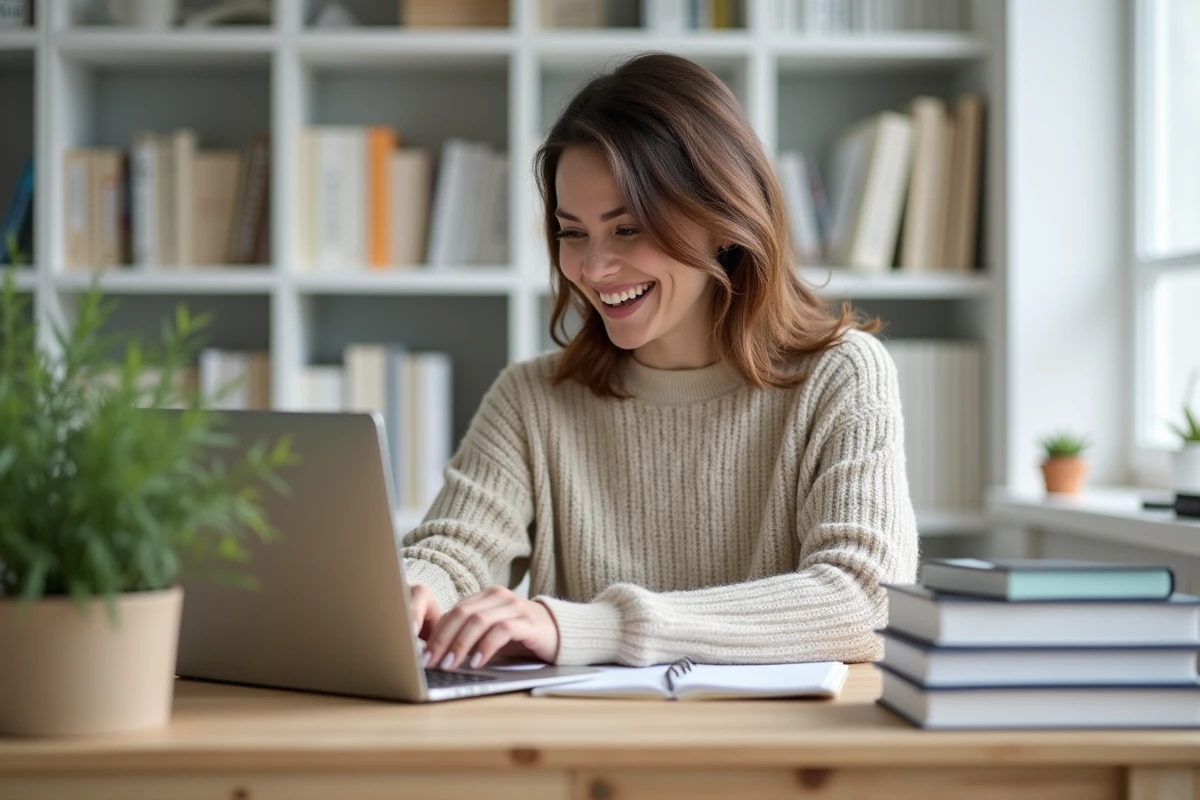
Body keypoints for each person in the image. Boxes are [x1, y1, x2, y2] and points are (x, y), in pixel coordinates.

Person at [402, 52, 918, 672]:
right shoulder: (531, 396)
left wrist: (596, 626)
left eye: (627, 229)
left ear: (722, 220)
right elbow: (454, 551)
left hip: (779, 755)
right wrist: (414, 590)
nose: (593, 268)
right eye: (572, 233)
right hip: (582, 756)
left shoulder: (840, 376)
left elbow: (864, 600)